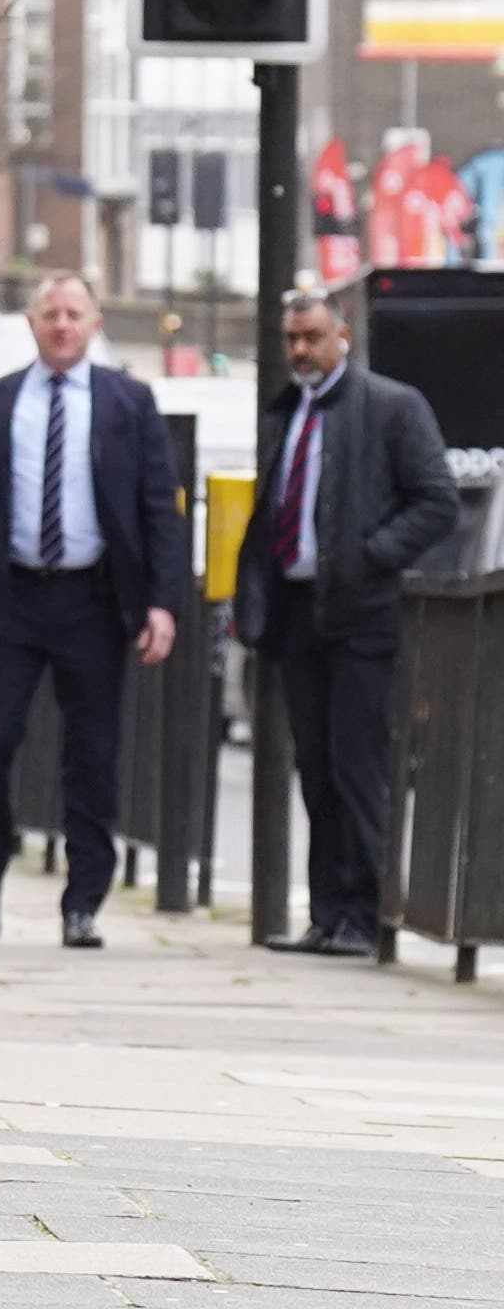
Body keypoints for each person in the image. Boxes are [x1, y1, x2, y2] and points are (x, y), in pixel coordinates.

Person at [0, 271, 182, 951]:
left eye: (75, 313)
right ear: (32, 323)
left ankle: (84, 901)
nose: (63, 325)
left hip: (93, 600)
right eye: (51, 314)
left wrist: (161, 601)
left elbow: (159, 508)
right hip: (8, 598)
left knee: (92, 755)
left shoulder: (129, 402)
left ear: (96, 322)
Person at [240, 290, 458, 958]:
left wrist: (369, 555)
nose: (299, 350)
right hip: (300, 614)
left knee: (359, 768)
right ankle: (329, 914)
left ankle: (367, 915)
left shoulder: (391, 405)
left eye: (311, 336)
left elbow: (437, 501)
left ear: (342, 334)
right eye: (290, 339)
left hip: (364, 618)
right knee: (316, 768)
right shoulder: (290, 412)